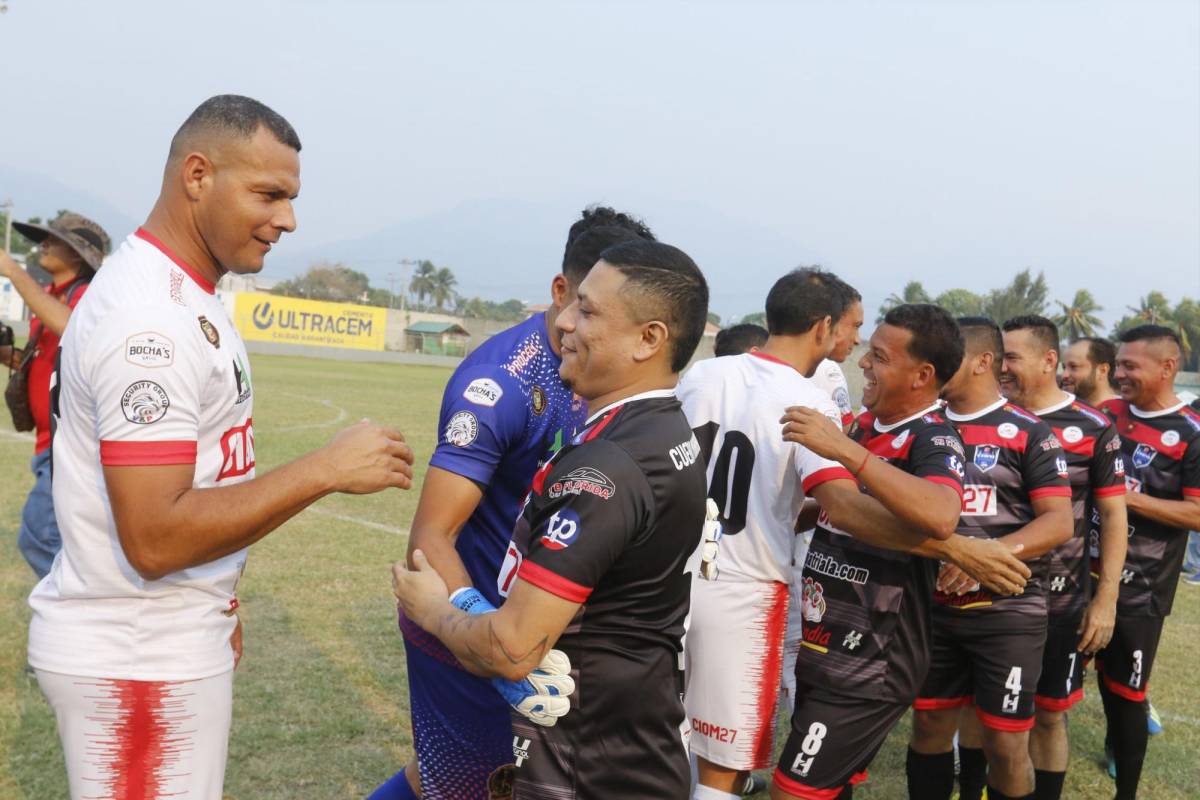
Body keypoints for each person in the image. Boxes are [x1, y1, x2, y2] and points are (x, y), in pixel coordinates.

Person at [26, 95, 415, 800]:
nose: (287, 219)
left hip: (164, 639)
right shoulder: (151, 319)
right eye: (268, 193)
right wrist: (323, 469)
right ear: (198, 175)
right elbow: (154, 538)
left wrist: (218, 606)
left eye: (291, 197)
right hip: (134, 657)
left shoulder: (188, 296)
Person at [394, 240, 711, 799]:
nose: (564, 321)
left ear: (649, 339)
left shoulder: (608, 466)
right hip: (629, 739)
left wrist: (437, 610)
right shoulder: (664, 430)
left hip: (590, 765)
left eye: (587, 311)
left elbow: (513, 650)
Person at [771, 304, 1032, 800]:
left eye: (880, 356)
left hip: (872, 658)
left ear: (922, 375)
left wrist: (846, 453)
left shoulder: (932, 436)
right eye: (868, 349)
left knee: (792, 791)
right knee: (828, 787)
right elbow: (838, 510)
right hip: (827, 638)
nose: (864, 362)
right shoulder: (866, 427)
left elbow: (940, 514)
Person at [907, 317, 1073, 800]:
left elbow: (1059, 522)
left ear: (982, 361)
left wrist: (985, 555)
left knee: (1005, 742)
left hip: (1008, 613)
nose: (934, 365)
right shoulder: (922, 425)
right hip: (932, 610)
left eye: (947, 355)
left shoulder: (1029, 432)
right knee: (930, 727)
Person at [1000, 315, 1128, 800]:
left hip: (1059, 600)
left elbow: (1114, 516)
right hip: (989, 597)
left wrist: (1106, 598)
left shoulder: (1094, 427)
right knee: (977, 711)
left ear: (1048, 360)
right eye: (999, 356)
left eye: (1012, 356)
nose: (1002, 367)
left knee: (1050, 715)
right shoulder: (990, 415)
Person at [1094, 325, 1200, 800]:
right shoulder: (1105, 414)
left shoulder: (1190, 433)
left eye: (1130, 366)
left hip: (1141, 586)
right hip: (1076, 574)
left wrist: (1123, 500)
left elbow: (1197, 513)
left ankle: (1127, 789)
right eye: (1117, 365)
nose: (1119, 374)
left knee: (1126, 695)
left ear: (1167, 368)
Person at [0, 212, 110, 577]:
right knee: (64, 540)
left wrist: (15, 272)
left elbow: (70, 328)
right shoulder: (49, 295)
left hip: (72, 442)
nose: (42, 244)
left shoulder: (90, 297)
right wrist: (10, 357)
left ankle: (85, 611)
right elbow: (48, 361)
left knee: (38, 537)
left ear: (77, 255)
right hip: (48, 441)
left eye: (52, 239)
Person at [781, 280, 864, 717]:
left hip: (809, 518)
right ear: (827, 324)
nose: (856, 341)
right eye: (853, 326)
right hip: (799, 522)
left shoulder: (830, 374)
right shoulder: (818, 378)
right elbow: (843, 451)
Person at [1060, 336, 1120, 412]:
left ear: (1102, 370)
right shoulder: (1062, 414)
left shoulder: (1124, 415)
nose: (1064, 375)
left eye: (1073, 367)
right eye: (1064, 367)